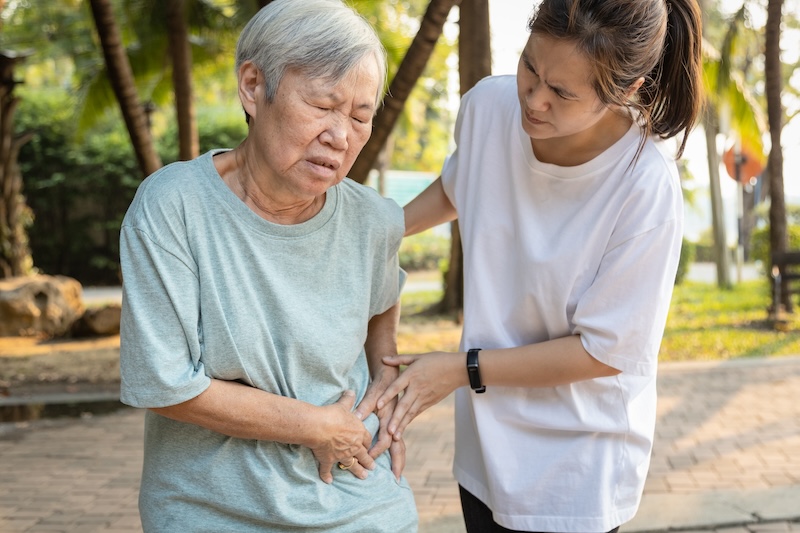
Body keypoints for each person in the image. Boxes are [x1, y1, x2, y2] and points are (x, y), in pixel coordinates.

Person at [372, 0, 704, 531]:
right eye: (530, 66)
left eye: (563, 93)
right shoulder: (488, 106)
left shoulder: (644, 186)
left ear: (627, 89)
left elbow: (604, 350)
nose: (534, 99)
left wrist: (462, 370)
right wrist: (371, 231)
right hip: (485, 445)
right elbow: (460, 187)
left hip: (577, 462)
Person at [118, 1, 417, 531]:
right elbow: (163, 383)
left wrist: (382, 409)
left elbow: (381, 319)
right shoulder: (174, 206)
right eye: (323, 105)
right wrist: (314, 426)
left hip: (357, 494)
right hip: (212, 507)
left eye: (360, 116)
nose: (341, 136)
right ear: (253, 87)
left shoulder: (375, 221)